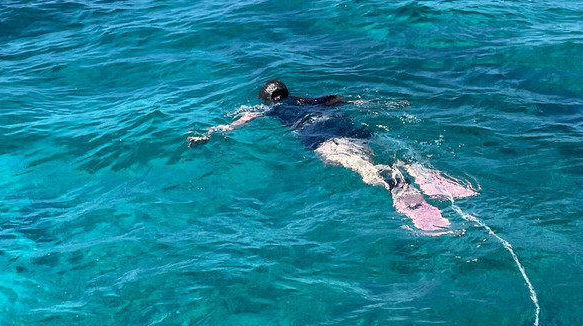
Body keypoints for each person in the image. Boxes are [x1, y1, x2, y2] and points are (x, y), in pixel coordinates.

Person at [188, 79, 476, 233]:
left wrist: (210, 134)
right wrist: (394, 104)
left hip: (325, 140)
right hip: (348, 127)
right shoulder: (314, 100)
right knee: (385, 155)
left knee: (367, 171)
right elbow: (354, 101)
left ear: (266, 100)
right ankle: (419, 170)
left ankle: (400, 189)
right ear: (288, 92)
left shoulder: (270, 110)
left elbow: (239, 121)